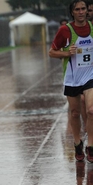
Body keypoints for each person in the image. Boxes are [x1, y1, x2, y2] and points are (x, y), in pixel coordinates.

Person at [49, 0, 93, 162]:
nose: (81, 12)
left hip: (90, 76)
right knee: (75, 113)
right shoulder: (65, 31)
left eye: (84, 9)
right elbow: (52, 52)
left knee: (91, 110)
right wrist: (67, 53)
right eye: (78, 9)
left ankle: (91, 146)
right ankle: (77, 143)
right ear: (72, 12)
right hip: (73, 78)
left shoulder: (92, 28)